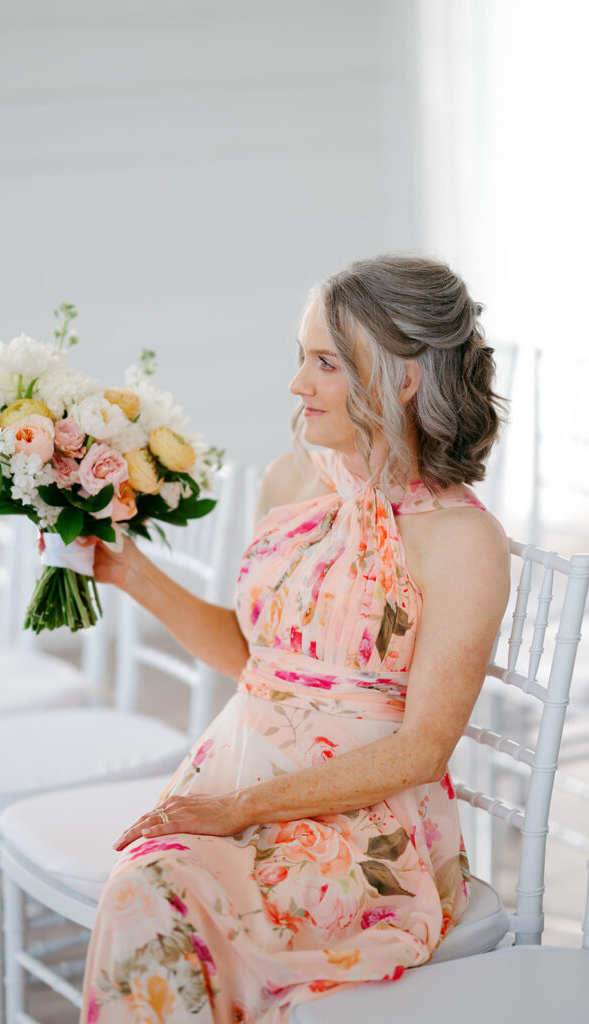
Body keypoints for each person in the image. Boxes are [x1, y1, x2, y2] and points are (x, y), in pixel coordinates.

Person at [79, 254, 511, 1024]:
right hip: (233, 774)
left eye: (323, 363)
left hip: (360, 818)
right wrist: (131, 573)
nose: (296, 384)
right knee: (149, 890)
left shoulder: (460, 541)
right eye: (300, 357)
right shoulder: (290, 480)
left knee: (157, 899)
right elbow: (258, 663)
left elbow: (421, 750)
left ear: (403, 377)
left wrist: (242, 809)